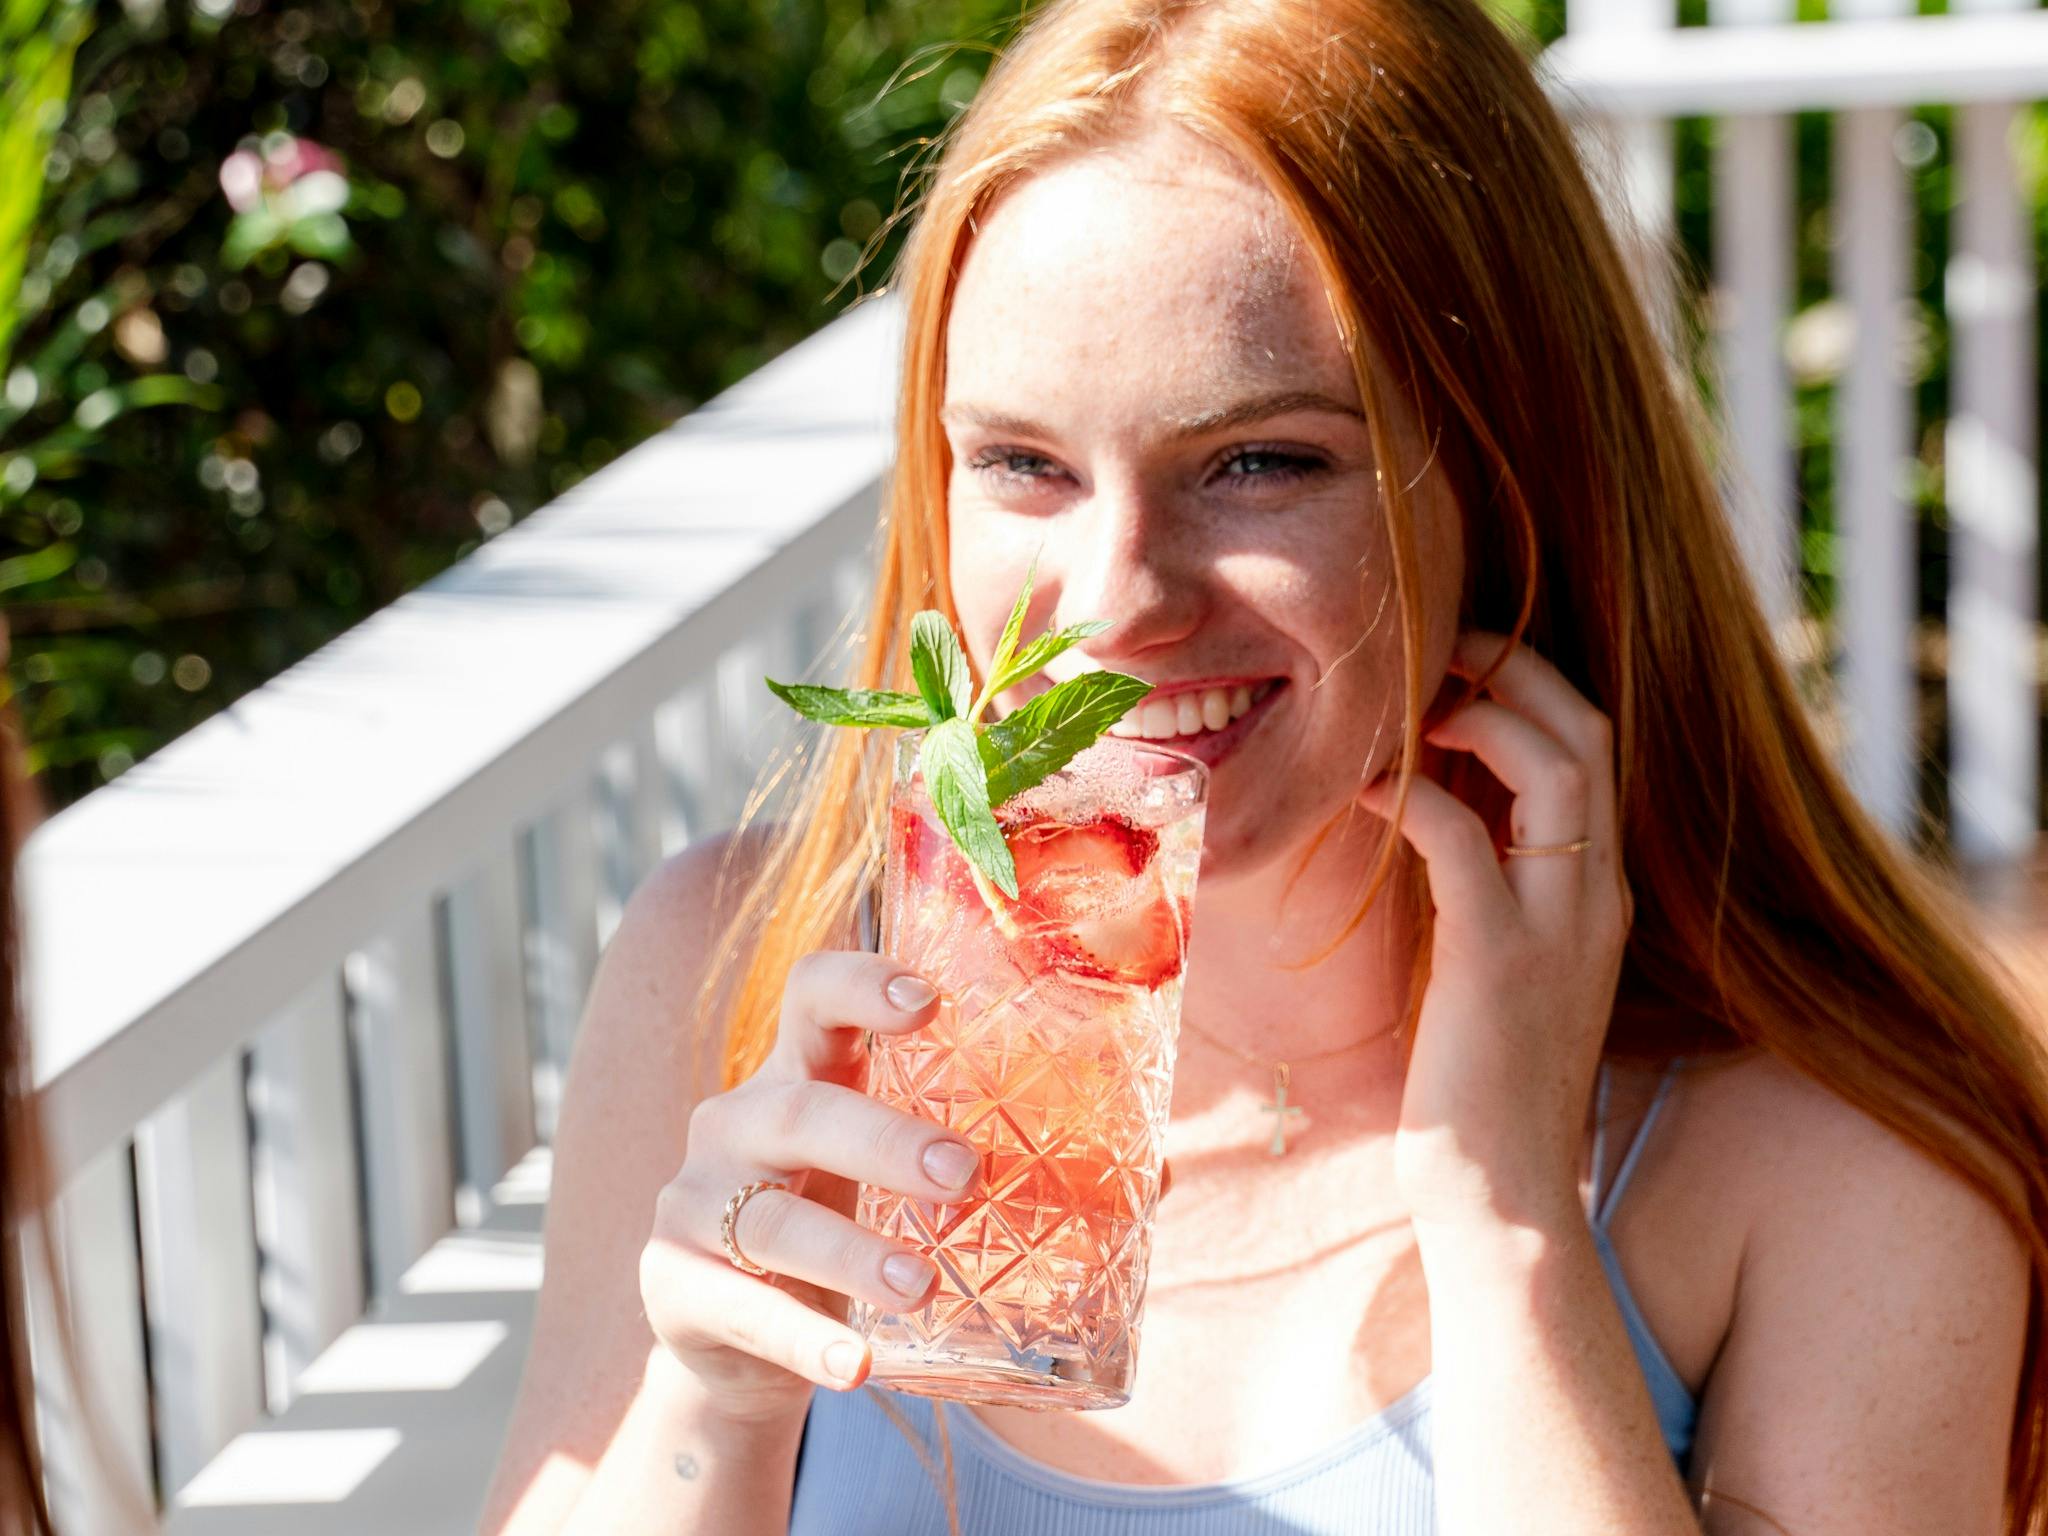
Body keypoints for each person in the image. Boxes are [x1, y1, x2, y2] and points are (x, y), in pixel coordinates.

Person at [481, 0, 2048, 1530]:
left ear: (1513, 482)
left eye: (1260, 462)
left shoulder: (1834, 1164)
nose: (1114, 603)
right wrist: (712, 1408)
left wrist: (1505, 1220)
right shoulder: (736, 979)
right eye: (1023, 462)